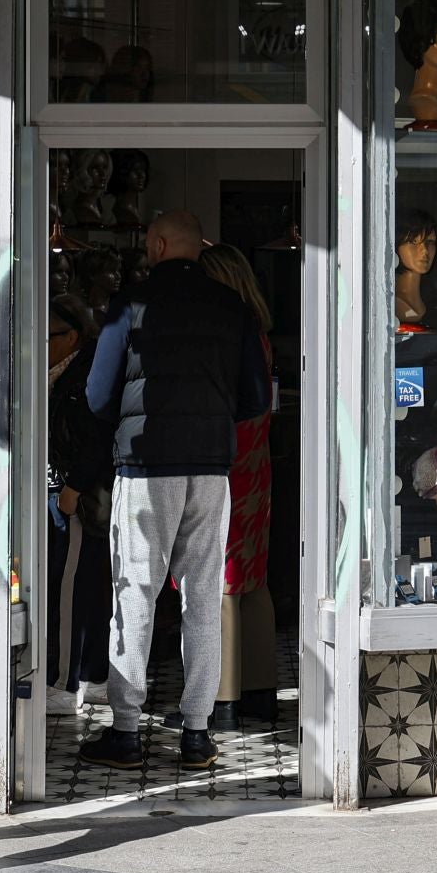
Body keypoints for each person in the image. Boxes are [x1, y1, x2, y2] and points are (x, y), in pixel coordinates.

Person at [82, 211, 271, 773]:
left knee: (135, 593)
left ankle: (124, 730)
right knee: (203, 598)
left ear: (159, 244)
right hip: (211, 467)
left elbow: (96, 395)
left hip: (144, 467)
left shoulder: (129, 305)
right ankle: (196, 733)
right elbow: (256, 397)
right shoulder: (232, 307)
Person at [199, 243, 278, 729]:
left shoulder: (228, 333)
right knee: (252, 580)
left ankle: (222, 700)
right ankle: (259, 692)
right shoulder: (259, 331)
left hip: (228, 464)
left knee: (222, 581)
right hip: (257, 464)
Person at [44, 299, 114, 715]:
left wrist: (73, 488)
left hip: (74, 495)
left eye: (50, 334)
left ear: (71, 336)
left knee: (70, 589)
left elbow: (95, 437)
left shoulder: (80, 375)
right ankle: (93, 676)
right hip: (70, 491)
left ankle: (64, 682)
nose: (41, 341)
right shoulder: (69, 371)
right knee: (85, 587)